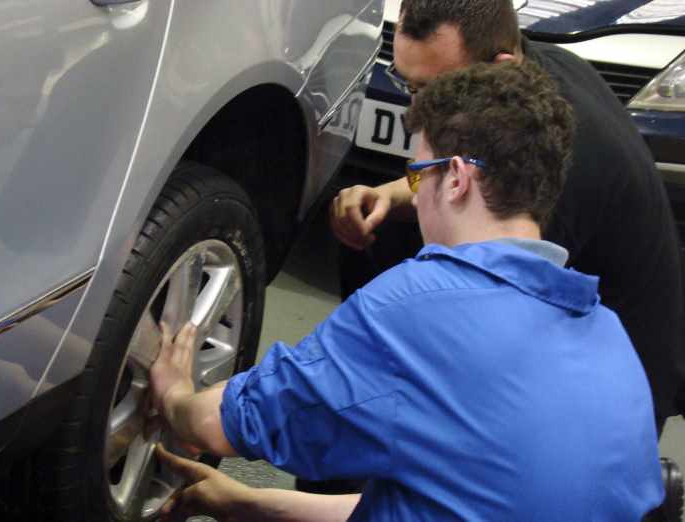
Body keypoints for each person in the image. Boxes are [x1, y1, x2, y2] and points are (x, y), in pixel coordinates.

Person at [150, 62, 664, 521]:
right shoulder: (609, 337)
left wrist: (174, 393)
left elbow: (220, 427)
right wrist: (249, 502)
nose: (414, 202)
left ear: (457, 179)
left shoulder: (417, 307)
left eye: (417, 178)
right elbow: (453, 503)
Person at [332, 0, 685, 435]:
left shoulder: (564, 162)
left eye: (431, 89)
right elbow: (467, 175)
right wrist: (386, 194)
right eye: (408, 85)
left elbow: (482, 319)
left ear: (500, 65)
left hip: (606, 397)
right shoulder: (527, 76)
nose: (413, 114)